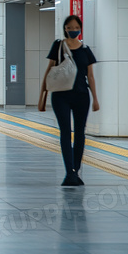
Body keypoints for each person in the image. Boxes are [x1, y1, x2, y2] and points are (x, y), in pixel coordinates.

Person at [41, 15, 99, 186]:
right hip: (61, 96)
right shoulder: (58, 46)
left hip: (82, 96)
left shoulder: (86, 50)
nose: (73, 30)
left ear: (80, 28)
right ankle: (69, 173)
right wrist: (42, 96)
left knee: (80, 133)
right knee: (65, 132)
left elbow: (91, 76)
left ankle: (76, 170)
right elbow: (49, 71)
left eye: (76, 27)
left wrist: (95, 98)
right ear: (65, 29)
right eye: (69, 27)